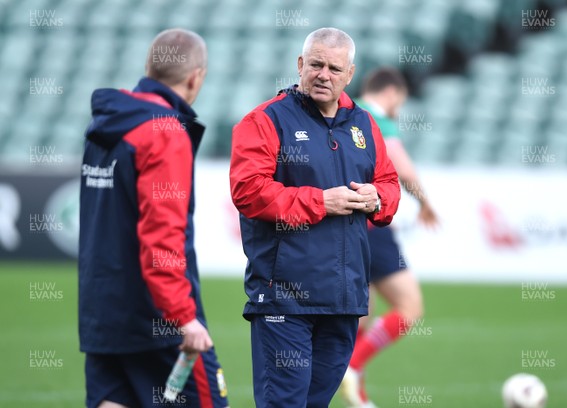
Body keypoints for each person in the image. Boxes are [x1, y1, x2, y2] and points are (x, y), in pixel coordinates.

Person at [229, 28, 400, 407]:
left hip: (343, 301)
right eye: (316, 64)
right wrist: (321, 202)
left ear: (350, 74)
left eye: (334, 68)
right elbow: (249, 191)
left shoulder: (365, 125)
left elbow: (389, 184)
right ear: (300, 64)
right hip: (283, 299)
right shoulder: (264, 121)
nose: (324, 74)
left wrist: (378, 198)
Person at [79, 29, 229, 408]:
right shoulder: (165, 133)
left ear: (148, 68)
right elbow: (161, 237)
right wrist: (182, 317)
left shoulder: (104, 127)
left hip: (103, 315)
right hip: (157, 320)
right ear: (197, 76)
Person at [340, 68, 440, 408]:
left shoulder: (345, 112)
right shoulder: (379, 119)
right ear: (393, 93)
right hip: (374, 225)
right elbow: (404, 170)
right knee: (410, 307)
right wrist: (425, 203)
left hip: (346, 228)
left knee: (360, 315)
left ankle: (357, 393)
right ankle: (352, 368)